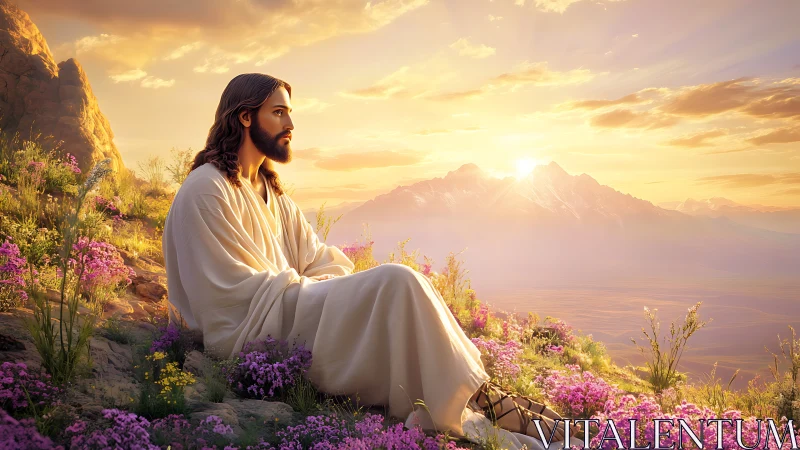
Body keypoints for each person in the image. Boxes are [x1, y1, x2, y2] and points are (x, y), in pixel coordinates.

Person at [161, 73, 579, 446]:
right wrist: (311, 291)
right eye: (279, 113)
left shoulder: (273, 194)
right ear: (246, 117)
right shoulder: (207, 190)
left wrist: (319, 289)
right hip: (256, 332)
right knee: (396, 281)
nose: (291, 125)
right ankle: (488, 401)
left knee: (398, 287)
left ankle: (482, 395)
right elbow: (226, 299)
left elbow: (320, 259)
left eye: (290, 114)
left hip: (289, 305)